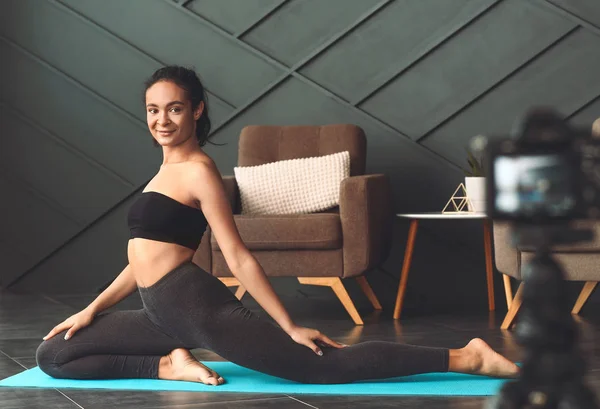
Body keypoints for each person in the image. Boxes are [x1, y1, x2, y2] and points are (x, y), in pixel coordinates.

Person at [35, 66, 519, 386]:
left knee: (317, 368)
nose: (162, 119)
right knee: (53, 354)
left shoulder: (200, 171)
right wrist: (91, 309)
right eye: (153, 110)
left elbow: (238, 254)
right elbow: (141, 259)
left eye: (174, 108)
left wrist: (288, 324)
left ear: (197, 110)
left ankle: (464, 356)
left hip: (194, 307)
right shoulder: (162, 171)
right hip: (158, 312)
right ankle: (168, 365)